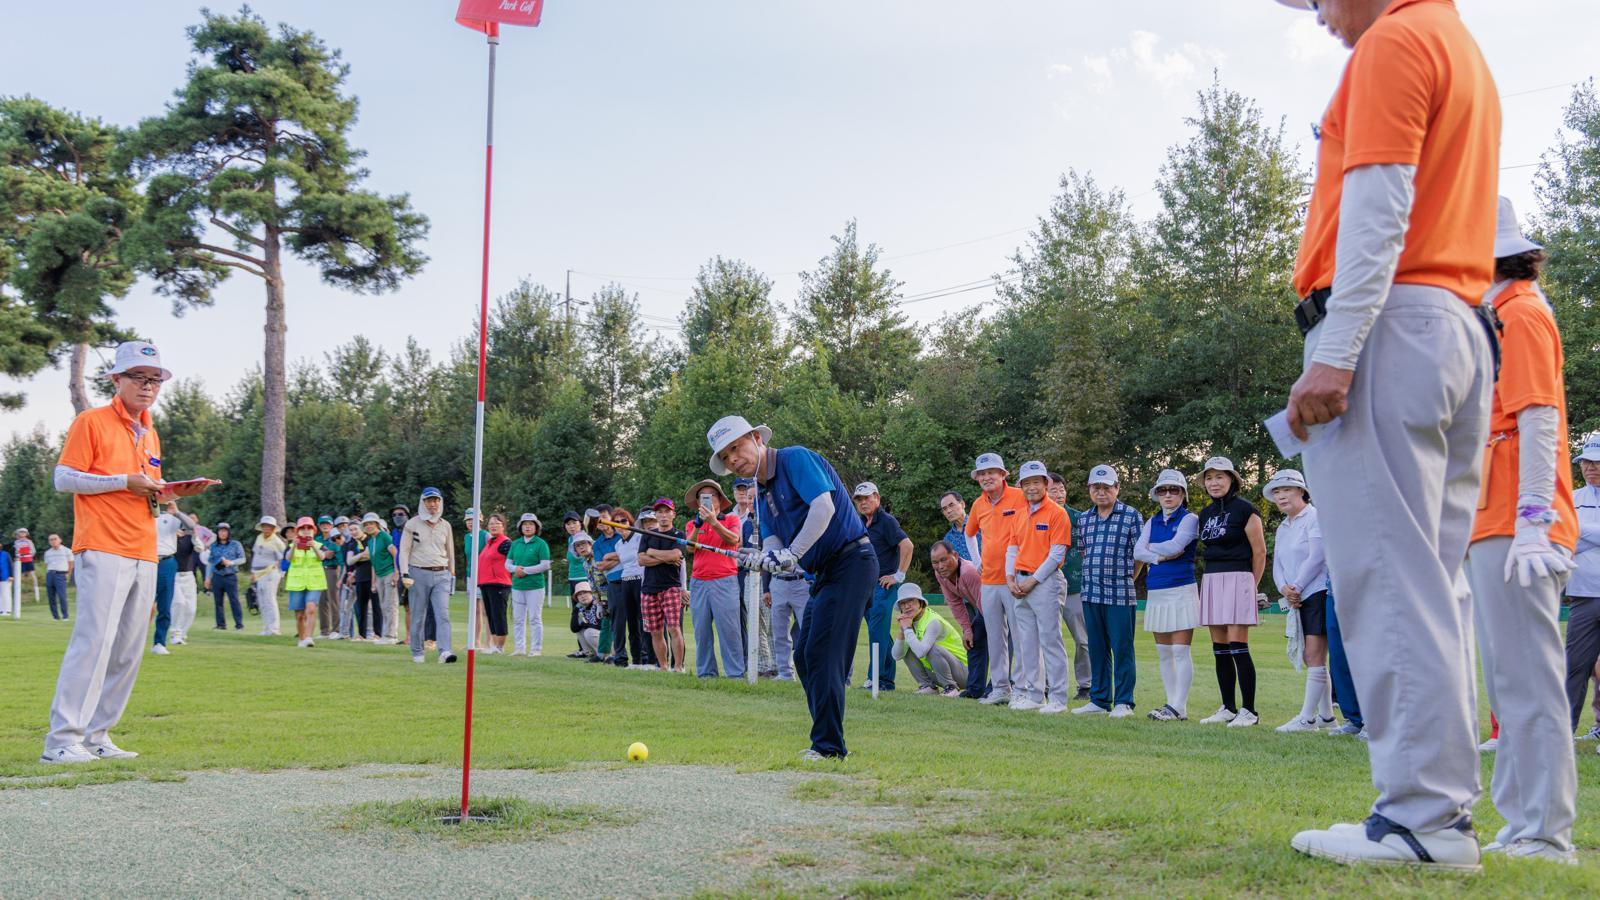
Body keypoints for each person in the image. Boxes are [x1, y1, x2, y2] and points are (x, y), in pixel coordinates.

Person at [1275, 0, 1502, 870]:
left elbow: (1378, 205)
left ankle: (1419, 819)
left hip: (1389, 320)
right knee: (1433, 584)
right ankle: (1436, 812)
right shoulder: (1454, 40)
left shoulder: (1395, 38)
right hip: (1449, 321)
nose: (1321, 14)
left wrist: (1335, 348)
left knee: (1387, 575)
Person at [1463, 200, 1578, 863]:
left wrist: (1535, 523)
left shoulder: (1523, 314)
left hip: (1519, 525)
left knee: (1528, 679)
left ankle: (1545, 830)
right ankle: (1520, 820)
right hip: (1494, 521)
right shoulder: (1499, 317)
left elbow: (1539, 419)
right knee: (1509, 682)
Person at [42, 340, 213, 764]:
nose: (148, 386)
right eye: (138, 377)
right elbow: (64, 479)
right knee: (94, 642)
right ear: (115, 379)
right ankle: (62, 740)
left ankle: (99, 734)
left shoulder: (150, 432)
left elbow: (144, 490)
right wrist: (122, 481)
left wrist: (171, 491)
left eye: (154, 379)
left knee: (128, 648)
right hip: (101, 544)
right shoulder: (92, 421)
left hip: (144, 546)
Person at [709, 414, 873, 760]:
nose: (733, 459)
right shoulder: (764, 491)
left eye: (736, 448)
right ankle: (828, 741)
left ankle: (828, 748)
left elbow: (823, 508)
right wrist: (763, 558)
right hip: (825, 574)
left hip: (852, 562)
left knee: (823, 654)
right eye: (725, 457)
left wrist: (791, 554)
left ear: (756, 438)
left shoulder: (794, 458)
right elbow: (772, 539)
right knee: (803, 655)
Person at [1194, 457, 1267, 728]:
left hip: (1239, 578)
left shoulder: (1246, 510)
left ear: (1232, 480)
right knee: (1220, 648)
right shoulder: (1205, 514)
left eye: (1220, 477)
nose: (1214, 483)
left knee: (1238, 646)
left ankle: (1249, 711)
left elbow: (1259, 552)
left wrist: (1252, 584)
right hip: (1212, 578)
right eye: (1210, 478)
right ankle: (1228, 707)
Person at [1265, 470, 1334, 733]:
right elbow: (1278, 563)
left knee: (1314, 655)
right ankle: (1327, 718)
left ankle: (1307, 719)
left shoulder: (1314, 517)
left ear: (1301, 492)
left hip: (1316, 591)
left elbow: (1317, 556)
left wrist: (1298, 587)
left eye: (1287, 490)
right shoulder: (1284, 526)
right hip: (1296, 596)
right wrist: (1284, 588)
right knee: (1311, 657)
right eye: (1277, 492)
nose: (1281, 496)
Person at [1002, 461, 1074, 714]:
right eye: (1027, 483)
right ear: (1021, 486)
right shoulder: (1020, 513)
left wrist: (1032, 581)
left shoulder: (1057, 513)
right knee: (1026, 642)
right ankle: (1035, 695)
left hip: (1045, 582)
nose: (1032, 487)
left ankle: (1057, 698)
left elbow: (1056, 555)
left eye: (1036, 482)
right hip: (1020, 580)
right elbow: (1012, 548)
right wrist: (1010, 578)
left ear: (1046, 484)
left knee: (1050, 640)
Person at [1133, 469, 1200, 722]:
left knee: (1181, 651)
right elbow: (1138, 552)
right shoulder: (1151, 522)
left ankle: (1179, 706)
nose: (1168, 495)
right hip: (1157, 589)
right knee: (1164, 652)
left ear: (1182, 493)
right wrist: (1159, 555)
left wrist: (1152, 551)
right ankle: (1171, 705)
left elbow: (1177, 547)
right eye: (1163, 490)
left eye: (1174, 490)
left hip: (1181, 587)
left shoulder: (1189, 518)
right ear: (1157, 495)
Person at [965, 453, 1028, 706]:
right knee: (995, 636)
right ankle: (1001, 688)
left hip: (1015, 578)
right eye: (981, 474)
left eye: (991, 472)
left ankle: (1022, 688)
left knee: (1020, 635)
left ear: (1003, 475)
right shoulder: (978, 504)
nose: (986, 477)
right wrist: (977, 561)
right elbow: (970, 535)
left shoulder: (1020, 496)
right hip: (988, 580)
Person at [854, 482, 912, 692]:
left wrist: (898, 575)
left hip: (883, 585)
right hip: (865, 586)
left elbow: (907, 545)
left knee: (876, 632)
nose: (863, 503)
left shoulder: (886, 521)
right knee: (878, 632)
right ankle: (886, 680)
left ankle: (874, 679)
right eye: (859, 500)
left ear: (877, 498)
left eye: (867, 498)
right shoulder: (859, 522)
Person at [685, 480, 745, 678]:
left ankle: (735, 674)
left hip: (725, 580)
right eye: (704, 496)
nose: (708, 499)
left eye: (712, 495)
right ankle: (706, 674)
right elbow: (690, 548)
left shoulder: (731, 519)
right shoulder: (691, 524)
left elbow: (734, 540)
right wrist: (698, 525)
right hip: (699, 581)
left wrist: (713, 522)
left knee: (729, 631)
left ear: (719, 500)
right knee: (702, 632)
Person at [1046, 472, 1092, 702]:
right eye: (1053, 490)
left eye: (1061, 489)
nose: (1059, 493)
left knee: (1083, 639)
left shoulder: (1079, 519)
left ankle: (1086, 685)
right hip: (1044, 586)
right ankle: (1045, 684)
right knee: (1046, 638)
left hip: (1075, 586)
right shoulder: (1035, 518)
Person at [398, 487, 457, 664]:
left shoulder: (445, 525)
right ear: (423, 502)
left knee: (443, 614)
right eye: (429, 501)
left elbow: (450, 551)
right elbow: (404, 550)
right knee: (418, 615)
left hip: (442, 574)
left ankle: (445, 651)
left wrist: (452, 572)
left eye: (436, 500)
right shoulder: (412, 524)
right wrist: (404, 573)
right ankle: (417, 652)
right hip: (417, 573)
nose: (433, 504)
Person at [1569, 436, 1600, 740]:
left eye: (1597, 462)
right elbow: (1563, 539)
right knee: (1575, 667)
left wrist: (1579, 532)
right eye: (1587, 462)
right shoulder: (1571, 497)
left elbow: (1574, 535)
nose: (1592, 467)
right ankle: (1563, 733)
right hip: (1582, 596)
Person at [929, 540, 986, 699]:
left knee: (1001, 648)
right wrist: (967, 630)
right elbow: (955, 603)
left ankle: (1000, 687)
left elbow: (985, 603)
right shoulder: (941, 575)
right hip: (982, 610)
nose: (940, 566)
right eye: (935, 562)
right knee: (974, 643)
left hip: (998, 611)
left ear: (955, 555)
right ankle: (975, 690)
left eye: (943, 560)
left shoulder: (969, 572)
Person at [732, 478, 776, 677]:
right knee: (755, 625)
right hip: (750, 578)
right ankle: (763, 666)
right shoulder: (745, 523)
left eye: (754, 497)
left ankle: (779, 666)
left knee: (771, 625)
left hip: (768, 578)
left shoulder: (769, 519)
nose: (751, 501)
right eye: (748, 498)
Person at [891, 583, 968, 696]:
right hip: (941, 671)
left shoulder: (933, 621)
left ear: (920, 602)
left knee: (932, 649)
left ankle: (951, 688)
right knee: (906, 649)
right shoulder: (910, 621)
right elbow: (897, 656)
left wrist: (907, 629)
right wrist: (902, 631)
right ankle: (927, 686)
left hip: (965, 673)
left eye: (911, 601)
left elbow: (921, 652)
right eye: (902, 603)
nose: (907, 606)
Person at [639, 500, 687, 672]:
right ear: (656, 515)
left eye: (667, 512)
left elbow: (676, 554)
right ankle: (664, 667)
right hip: (649, 589)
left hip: (671, 587)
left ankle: (679, 667)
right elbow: (641, 560)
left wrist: (652, 552)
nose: (663, 515)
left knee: (674, 628)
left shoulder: (679, 535)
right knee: (655, 631)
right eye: (660, 512)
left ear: (673, 514)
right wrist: (665, 558)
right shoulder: (648, 534)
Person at [151, 500, 199, 654]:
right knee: (138, 603)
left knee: (165, 604)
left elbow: (192, 527)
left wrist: (177, 512)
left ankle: (159, 642)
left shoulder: (171, 518)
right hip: (144, 560)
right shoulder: (142, 515)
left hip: (166, 561)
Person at [507, 513, 550, 657]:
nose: (527, 526)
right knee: (518, 618)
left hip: (535, 586)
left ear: (536, 527)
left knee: (534, 618)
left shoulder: (541, 543)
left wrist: (525, 571)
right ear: (521, 527)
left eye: (531, 524)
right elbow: (507, 564)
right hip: (517, 586)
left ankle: (536, 649)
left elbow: (545, 565)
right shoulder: (515, 544)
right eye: (525, 524)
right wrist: (516, 570)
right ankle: (520, 648)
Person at [283, 517, 327, 647]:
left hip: (314, 582)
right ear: (298, 531)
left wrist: (314, 547)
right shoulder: (291, 546)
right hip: (296, 582)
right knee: (300, 615)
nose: (306, 531)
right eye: (303, 528)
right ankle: (301, 638)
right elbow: (288, 559)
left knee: (311, 608)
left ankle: (308, 637)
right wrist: (294, 546)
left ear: (313, 530)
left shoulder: (319, 545)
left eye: (309, 528)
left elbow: (322, 557)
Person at [472, 513, 512, 654]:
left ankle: (500, 647)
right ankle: (495, 645)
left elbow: (513, 561)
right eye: (491, 523)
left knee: (498, 615)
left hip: (499, 584)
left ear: (503, 526)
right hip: (486, 583)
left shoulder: (505, 543)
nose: (493, 526)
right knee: (490, 615)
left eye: (497, 523)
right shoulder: (489, 542)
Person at [361, 513, 399, 644]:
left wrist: (396, 572)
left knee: (390, 605)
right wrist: (374, 582)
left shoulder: (384, 537)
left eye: (371, 523)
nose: (369, 526)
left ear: (377, 524)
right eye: (366, 524)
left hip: (389, 572)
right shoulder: (370, 541)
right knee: (383, 605)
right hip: (379, 575)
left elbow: (395, 553)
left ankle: (391, 636)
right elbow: (373, 563)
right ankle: (386, 634)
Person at [341, 517, 378, 640]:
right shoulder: (352, 543)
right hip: (360, 578)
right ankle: (361, 634)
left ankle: (377, 634)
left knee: (375, 607)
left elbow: (371, 556)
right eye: (350, 530)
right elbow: (349, 561)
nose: (353, 532)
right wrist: (362, 555)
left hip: (372, 576)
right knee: (361, 607)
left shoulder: (369, 540)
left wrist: (359, 556)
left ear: (361, 529)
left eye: (355, 529)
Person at [249, 516, 287, 637]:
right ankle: (266, 628)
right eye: (264, 525)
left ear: (273, 528)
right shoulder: (259, 538)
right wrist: (253, 572)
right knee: (262, 601)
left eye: (269, 526)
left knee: (270, 600)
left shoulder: (277, 541)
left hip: (271, 573)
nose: (266, 528)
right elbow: (256, 556)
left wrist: (282, 572)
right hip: (259, 574)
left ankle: (274, 629)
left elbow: (285, 557)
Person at [205, 523, 245, 630]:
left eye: (225, 531)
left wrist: (231, 562)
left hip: (230, 576)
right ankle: (220, 624)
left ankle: (239, 624)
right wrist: (207, 578)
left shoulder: (235, 544)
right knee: (218, 602)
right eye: (220, 531)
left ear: (228, 532)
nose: (222, 533)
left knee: (234, 600)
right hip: (217, 576)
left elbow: (242, 559)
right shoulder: (214, 546)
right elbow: (210, 563)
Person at [313, 516, 341, 639]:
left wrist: (324, 554)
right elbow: (321, 554)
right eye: (322, 524)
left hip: (332, 570)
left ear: (331, 525)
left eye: (327, 524)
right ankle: (324, 631)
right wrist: (325, 554)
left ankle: (336, 629)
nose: (325, 526)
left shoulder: (335, 538)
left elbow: (332, 554)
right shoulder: (317, 539)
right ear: (319, 526)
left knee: (333, 600)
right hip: (319, 570)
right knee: (322, 600)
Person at [938, 491, 975, 563]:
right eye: (944, 509)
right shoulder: (947, 540)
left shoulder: (981, 526)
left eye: (951, 505)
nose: (948, 511)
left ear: (962, 504)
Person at [43, 533, 73, 621]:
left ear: (60, 540)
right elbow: (47, 564)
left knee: (62, 596)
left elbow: (71, 563)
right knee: (51, 597)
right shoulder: (48, 553)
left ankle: (65, 616)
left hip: (61, 574)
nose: (53, 541)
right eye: (51, 540)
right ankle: (55, 617)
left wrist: (68, 574)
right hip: (50, 574)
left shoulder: (66, 551)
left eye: (55, 539)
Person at [571, 581, 603, 657]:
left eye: (585, 593)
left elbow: (600, 626)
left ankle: (605, 655)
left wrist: (585, 624)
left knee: (589, 631)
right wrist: (576, 610)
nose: (582, 596)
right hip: (596, 638)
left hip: (609, 642)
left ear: (591, 594)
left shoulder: (599, 605)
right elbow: (574, 628)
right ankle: (590, 654)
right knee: (580, 630)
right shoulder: (581, 608)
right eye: (579, 595)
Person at [14, 528, 38, 606]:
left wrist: (29, 555)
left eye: (24, 532)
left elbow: (33, 551)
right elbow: (17, 551)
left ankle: (36, 589)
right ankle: (19, 590)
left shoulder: (29, 541)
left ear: (26, 533)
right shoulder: (17, 542)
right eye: (21, 532)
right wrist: (18, 556)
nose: (22, 533)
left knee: (32, 574)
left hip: (28, 559)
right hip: (21, 560)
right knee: (20, 575)